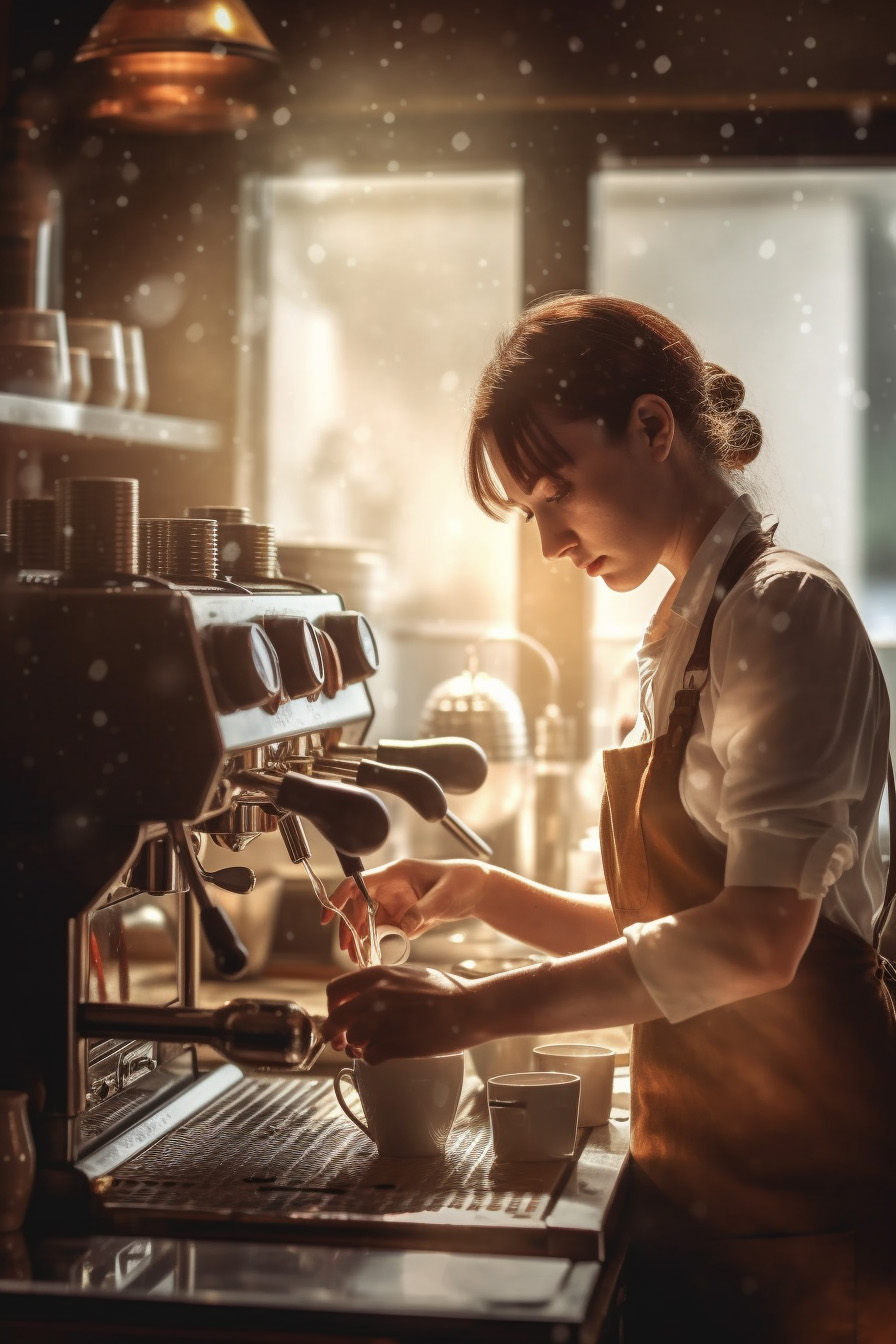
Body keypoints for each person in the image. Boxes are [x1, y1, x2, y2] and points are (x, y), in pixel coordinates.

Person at [320, 292, 896, 1344]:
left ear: (651, 427)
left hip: (803, 1187)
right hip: (713, 1177)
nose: (546, 542)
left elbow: (757, 943)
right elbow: (676, 935)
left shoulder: (780, 613)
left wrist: (466, 1013)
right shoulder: (689, 631)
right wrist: (483, 894)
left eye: (554, 490)